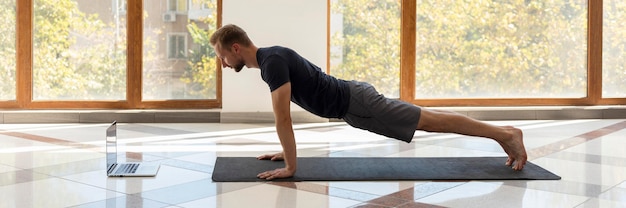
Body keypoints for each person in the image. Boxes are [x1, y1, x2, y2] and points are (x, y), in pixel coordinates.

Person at [209, 24, 527, 180]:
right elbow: (291, 111)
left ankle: (506, 134)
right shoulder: (271, 58)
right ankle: (504, 133)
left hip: (357, 103)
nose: (223, 63)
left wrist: (292, 166)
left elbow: (283, 119)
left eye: (222, 56)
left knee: (430, 121)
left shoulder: (272, 63)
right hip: (354, 104)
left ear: (235, 48)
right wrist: (285, 152)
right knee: (428, 120)